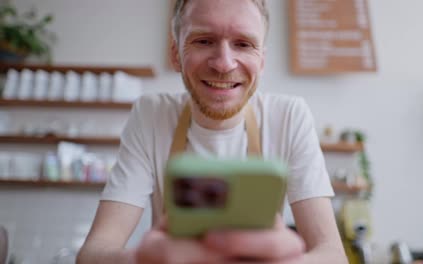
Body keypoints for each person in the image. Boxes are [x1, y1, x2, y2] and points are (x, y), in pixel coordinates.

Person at [77, 0, 348, 263]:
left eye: (243, 44)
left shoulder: (289, 116)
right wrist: (144, 260)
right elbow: (92, 254)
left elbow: (333, 255)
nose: (223, 63)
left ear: (261, 61)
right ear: (175, 53)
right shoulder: (151, 115)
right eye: (204, 41)